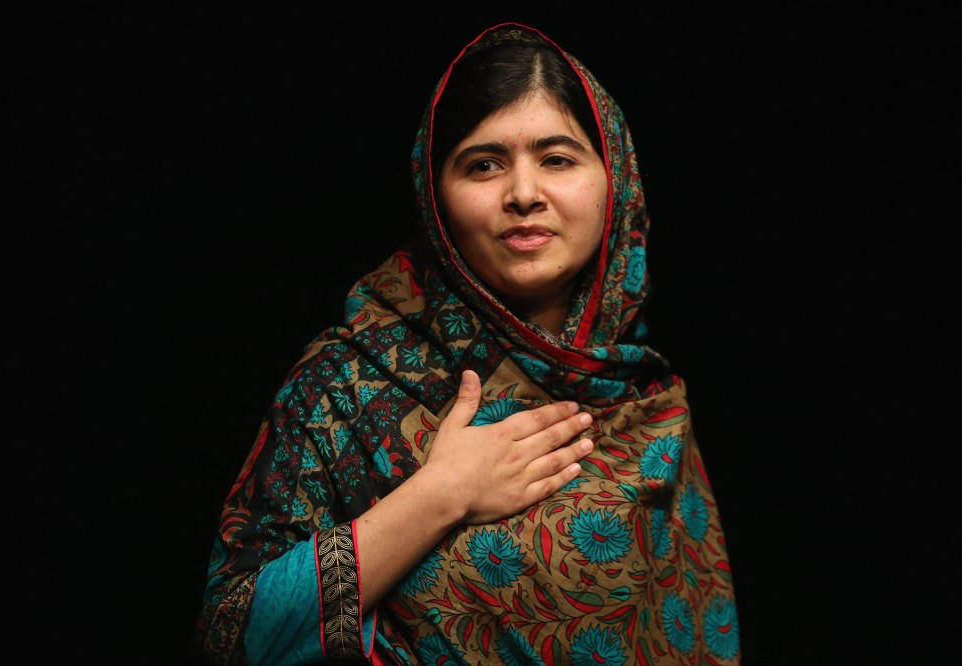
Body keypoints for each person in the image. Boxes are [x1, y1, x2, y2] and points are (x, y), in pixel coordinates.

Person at [193, 22, 740, 665]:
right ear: (436, 195)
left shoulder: (646, 402)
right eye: (483, 164)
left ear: (614, 178)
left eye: (557, 159)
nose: (524, 194)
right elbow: (230, 637)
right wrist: (442, 493)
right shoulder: (346, 385)